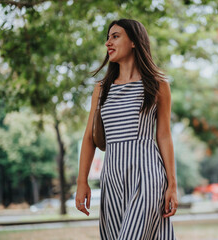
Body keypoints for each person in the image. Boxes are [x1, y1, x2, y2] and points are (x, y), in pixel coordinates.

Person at [75, 19, 178, 239]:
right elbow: (88, 139)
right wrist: (82, 181)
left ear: (134, 41)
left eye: (115, 36)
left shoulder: (158, 84)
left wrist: (172, 185)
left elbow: (164, 136)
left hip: (147, 175)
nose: (108, 43)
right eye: (107, 37)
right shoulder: (101, 89)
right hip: (111, 179)